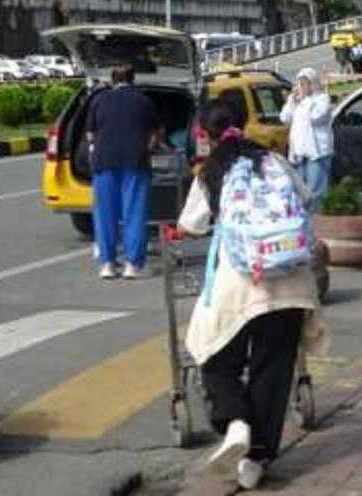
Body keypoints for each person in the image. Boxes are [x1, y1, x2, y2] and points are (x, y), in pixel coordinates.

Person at [172, 94, 326, 490]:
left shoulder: (212, 171)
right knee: (273, 369)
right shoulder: (273, 161)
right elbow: (305, 200)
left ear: (204, 134)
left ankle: (235, 421)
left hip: (241, 283)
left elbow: (191, 223)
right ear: (245, 121)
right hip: (291, 280)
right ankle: (256, 459)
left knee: (214, 356)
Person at [87, 65, 161, 280]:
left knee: (105, 214)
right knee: (134, 213)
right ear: (133, 80)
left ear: (112, 81)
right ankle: (132, 265)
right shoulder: (143, 101)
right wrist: (149, 147)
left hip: (104, 161)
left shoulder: (99, 99)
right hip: (134, 160)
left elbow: (90, 135)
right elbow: (156, 132)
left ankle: (107, 264)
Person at [281, 67, 333, 209]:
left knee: (315, 192)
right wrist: (291, 101)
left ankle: (316, 222)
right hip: (298, 153)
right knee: (300, 191)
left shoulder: (322, 99)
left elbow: (316, 117)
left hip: (316, 153)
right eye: (299, 84)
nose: (300, 87)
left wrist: (306, 99)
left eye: (304, 83)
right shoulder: (298, 102)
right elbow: (284, 118)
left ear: (312, 84)